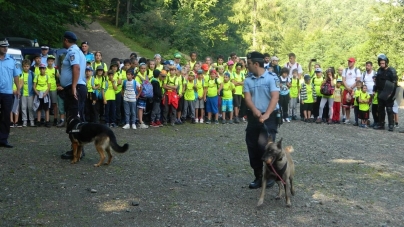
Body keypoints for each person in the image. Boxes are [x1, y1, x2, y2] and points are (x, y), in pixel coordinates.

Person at [243, 51, 280, 189]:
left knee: (265, 147)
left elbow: (275, 97)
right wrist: (255, 111)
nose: (247, 66)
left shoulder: (271, 77)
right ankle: (258, 176)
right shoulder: (248, 80)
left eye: (249, 64)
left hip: (269, 117)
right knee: (252, 146)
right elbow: (247, 98)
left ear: (256, 64)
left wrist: (266, 114)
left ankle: (271, 175)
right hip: (254, 116)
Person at [59, 31, 87, 159]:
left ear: (66, 40)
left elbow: (76, 68)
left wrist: (73, 86)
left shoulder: (72, 52)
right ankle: (79, 148)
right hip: (78, 87)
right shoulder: (80, 51)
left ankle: (76, 150)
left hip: (75, 87)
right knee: (78, 118)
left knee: (74, 119)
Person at [0, 39, 21, 147]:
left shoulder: (11, 60)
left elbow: (16, 75)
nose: (5, 48)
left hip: (8, 92)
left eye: (6, 46)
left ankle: (3, 139)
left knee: (6, 116)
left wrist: (18, 89)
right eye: (3, 46)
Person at [373, 54, 398, 131]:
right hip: (380, 92)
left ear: (386, 62)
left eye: (383, 63)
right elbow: (377, 82)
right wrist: (375, 90)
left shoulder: (392, 71)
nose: (382, 64)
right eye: (380, 63)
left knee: (389, 109)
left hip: (389, 92)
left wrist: (392, 93)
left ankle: (391, 125)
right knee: (380, 109)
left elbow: (394, 83)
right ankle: (381, 124)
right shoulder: (379, 71)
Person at [342, 57, 361, 124]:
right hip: (346, 89)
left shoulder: (357, 70)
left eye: (350, 62)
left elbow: (358, 80)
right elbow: (343, 80)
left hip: (354, 90)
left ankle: (357, 119)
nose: (349, 63)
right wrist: (347, 87)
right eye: (348, 61)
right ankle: (347, 118)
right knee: (346, 105)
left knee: (356, 105)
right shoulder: (345, 70)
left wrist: (352, 87)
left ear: (354, 62)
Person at [20, 59, 36, 127]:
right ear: (22, 66)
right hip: (23, 93)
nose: (26, 67)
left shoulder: (32, 73)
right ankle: (24, 121)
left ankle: (32, 120)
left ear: (29, 66)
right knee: (23, 107)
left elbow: (35, 82)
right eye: (24, 66)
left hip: (30, 93)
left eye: (27, 66)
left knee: (30, 107)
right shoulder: (20, 73)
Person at [45, 55, 59, 126]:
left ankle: (55, 118)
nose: (50, 62)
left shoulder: (55, 69)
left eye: (52, 61)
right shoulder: (45, 69)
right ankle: (47, 119)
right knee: (46, 104)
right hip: (46, 88)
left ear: (53, 62)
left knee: (54, 104)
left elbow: (58, 78)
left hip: (53, 88)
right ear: (47, 61)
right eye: (49, 61)